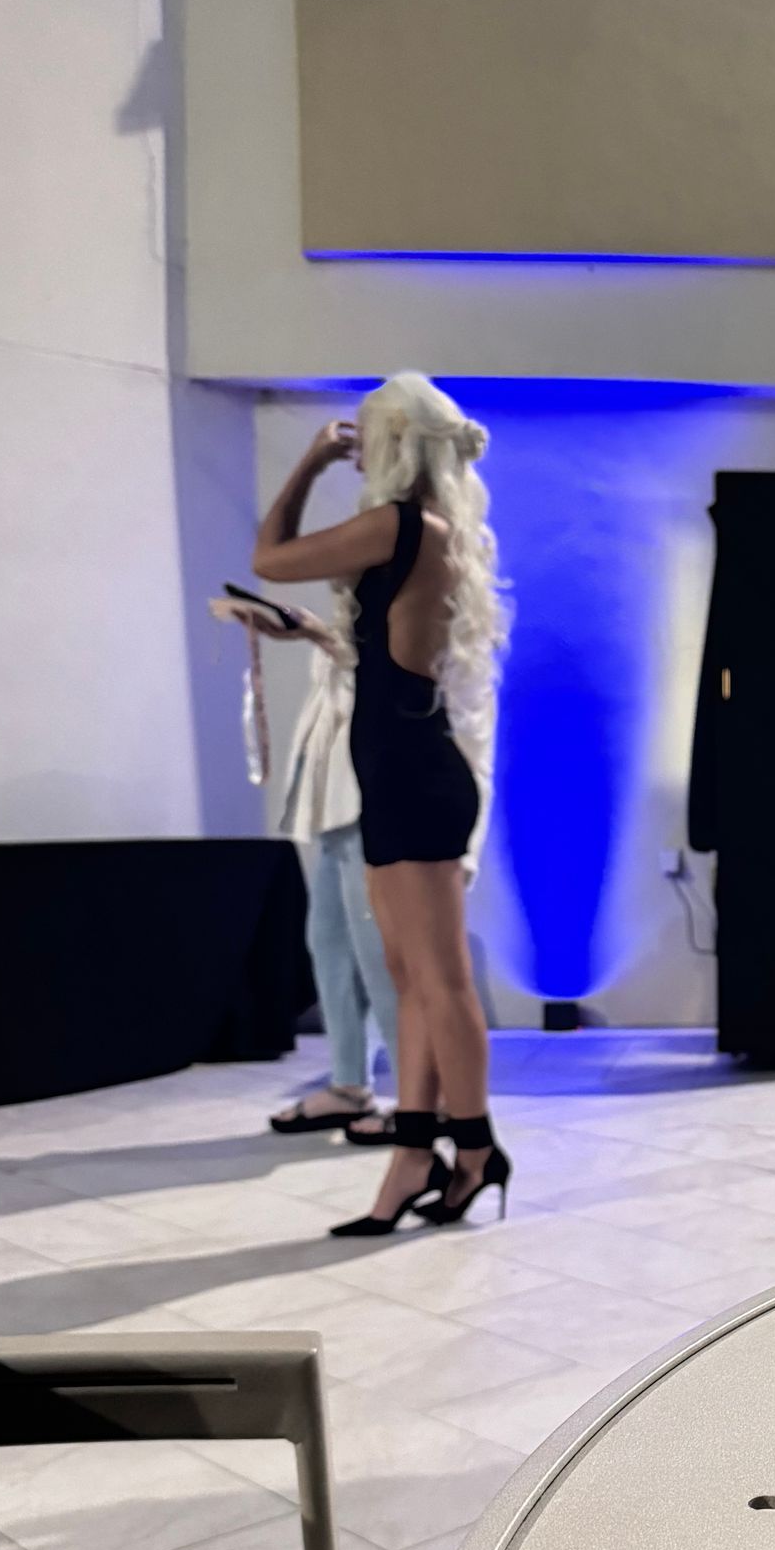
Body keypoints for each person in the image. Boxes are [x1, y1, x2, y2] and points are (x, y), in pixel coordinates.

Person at [253, 374, 510, 1234]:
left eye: (365, 435)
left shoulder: (400, 524)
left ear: (393, 440)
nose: (356, 445)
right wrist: (320, 636)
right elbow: (383, 654)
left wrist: (309, 462)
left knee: (439, 980)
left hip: (414, 776)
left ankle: (473, 1150)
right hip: (402, 770)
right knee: (407, 976)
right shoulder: (423, 531)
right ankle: (413, 1154)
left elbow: (269, 555)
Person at [218, 600, 402, 1141]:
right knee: (330, 947)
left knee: (380, 958)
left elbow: (385, 677)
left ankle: (419, 1097)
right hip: (332, 807)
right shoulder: (354, 613)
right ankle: (349, 1084)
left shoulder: (404, 608)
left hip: (372, 803)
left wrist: (316, 633)